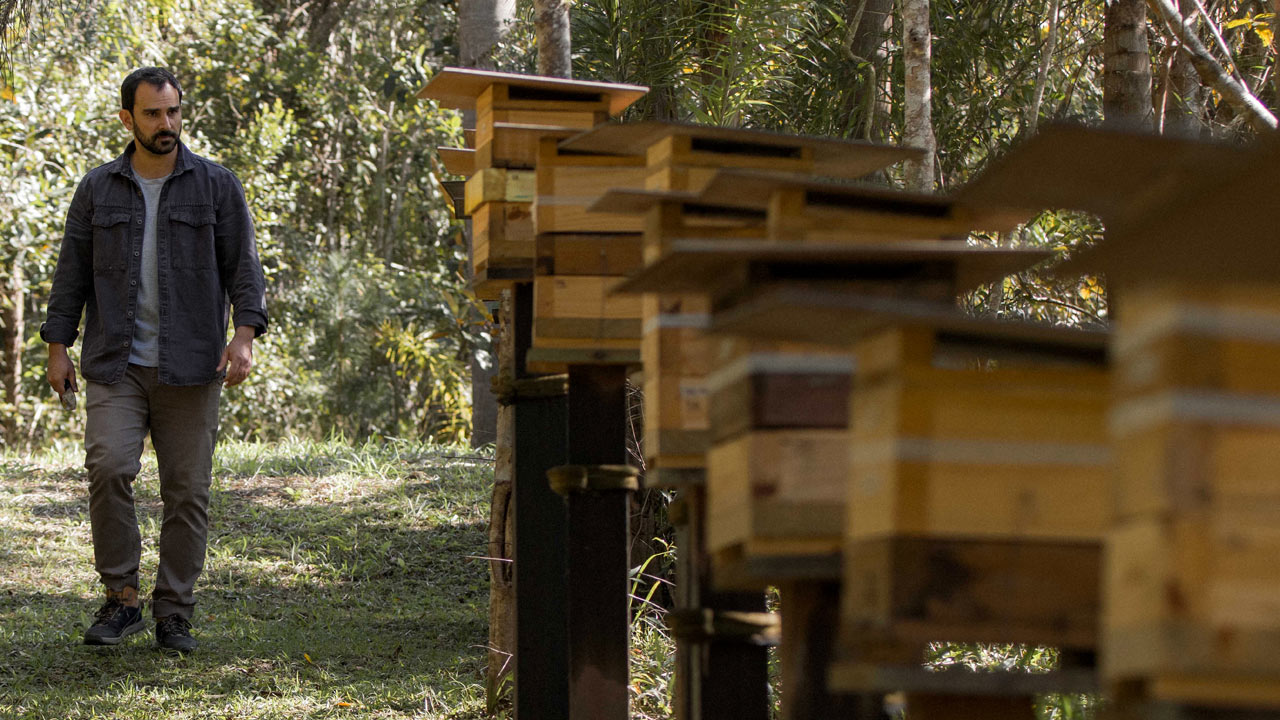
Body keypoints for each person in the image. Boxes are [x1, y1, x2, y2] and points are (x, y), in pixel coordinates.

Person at [41, 67, 268, 653]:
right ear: (127, 118)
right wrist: (57, 346)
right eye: (152, 114)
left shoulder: (216, 185)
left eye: (173, 112)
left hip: (191, 366)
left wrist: (243, 336)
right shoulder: (97, 189)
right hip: (115, 363)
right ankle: (121, 599)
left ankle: (174, 612)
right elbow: (71, 274)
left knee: (187, 491)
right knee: (109, 468)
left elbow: (244, 267)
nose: (165, 124)